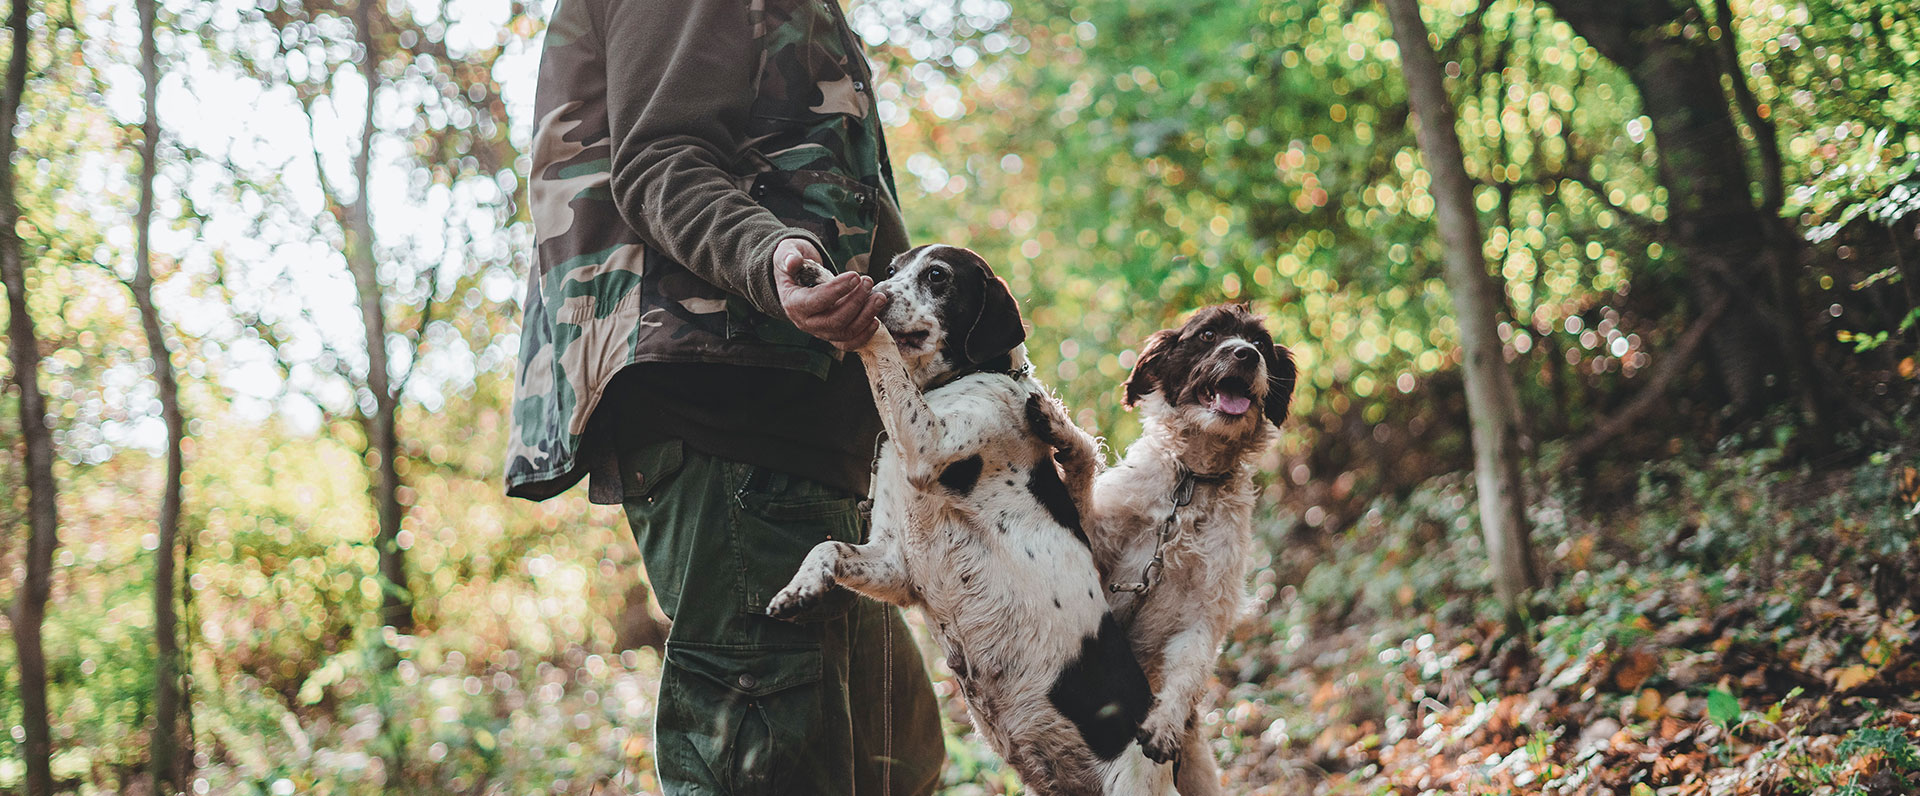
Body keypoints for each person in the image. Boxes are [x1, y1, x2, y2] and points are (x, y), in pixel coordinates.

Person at [503, 0, 946, 792]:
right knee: (778, 767)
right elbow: (658, 158)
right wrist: (768, 253)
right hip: (734, 418)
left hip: (816, 440)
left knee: (896, 755)